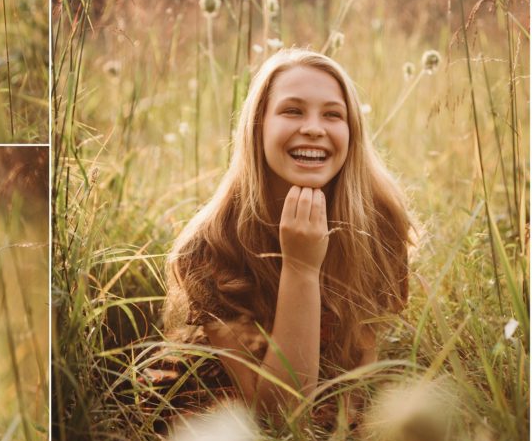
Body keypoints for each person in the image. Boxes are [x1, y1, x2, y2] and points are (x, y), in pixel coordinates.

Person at [161, 49, 413, 418]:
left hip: (329, 417)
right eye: (292, 110)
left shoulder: (380, 221)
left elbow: (358, 377)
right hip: (224, 421)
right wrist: (300, 269)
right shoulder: (212, 244)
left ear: (351, 131)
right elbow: (277, 417)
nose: (314, 128)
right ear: (258, 126)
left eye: (332, 114)